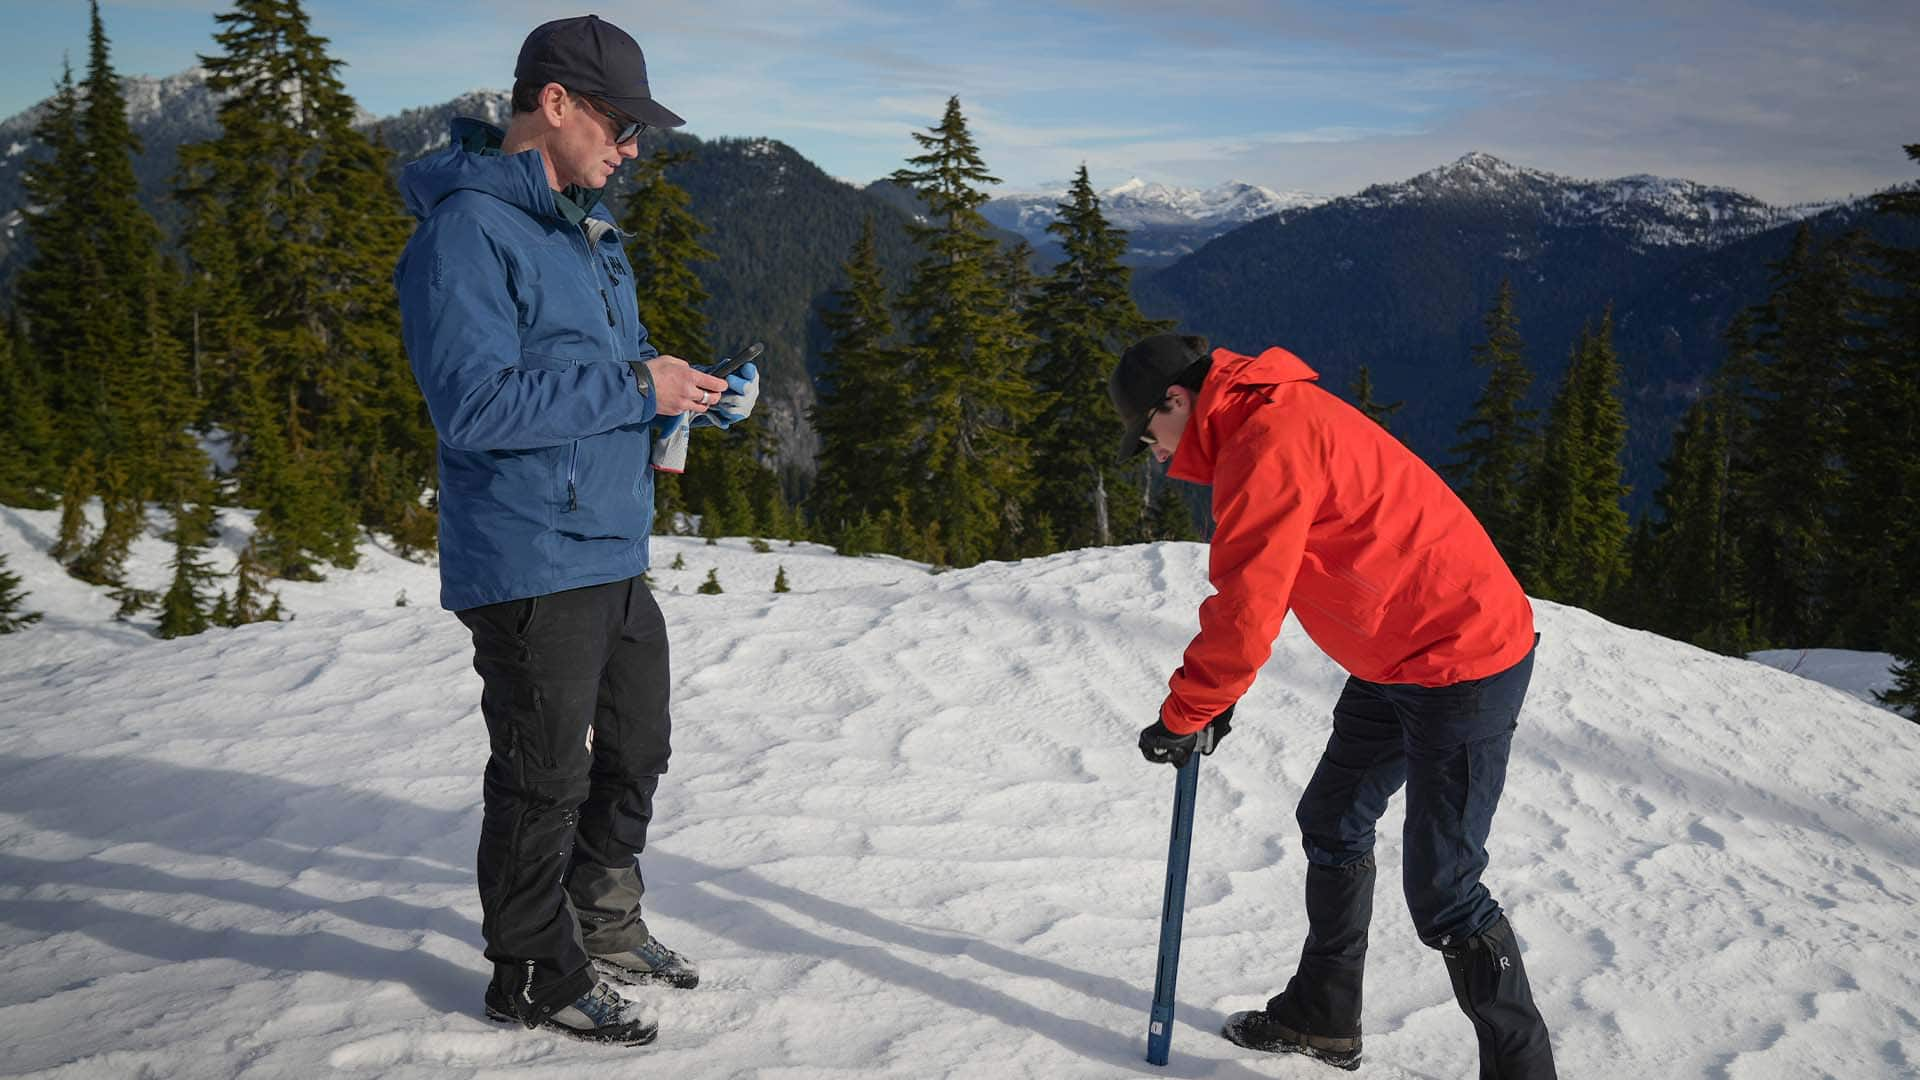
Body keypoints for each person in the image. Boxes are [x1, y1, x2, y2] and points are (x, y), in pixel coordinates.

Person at [393, 14, 760, 1046]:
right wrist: (635, 383)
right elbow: (470, 405)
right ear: (553, 103)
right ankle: (529, 973)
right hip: (525, 552)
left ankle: (602, 923)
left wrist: (681, 393)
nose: (631, 146)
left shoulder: (586, 231)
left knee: (637, 747)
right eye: (620, 122)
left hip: (608, 541)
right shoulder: (467, 231)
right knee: (541, 774)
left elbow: (607, 374)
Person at [1112, 333, 1556, 1078]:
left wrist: (1187, 710)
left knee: (1446, 892)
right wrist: (1211, 698)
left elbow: (1249, 604)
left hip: (1463, 659)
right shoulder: (1262, 423)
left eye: (1146, 430)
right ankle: (1324, 1018)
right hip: (1395, 656)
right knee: (1333, 818)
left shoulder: (1266, 439)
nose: (1149, 448)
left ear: (1178, 400)